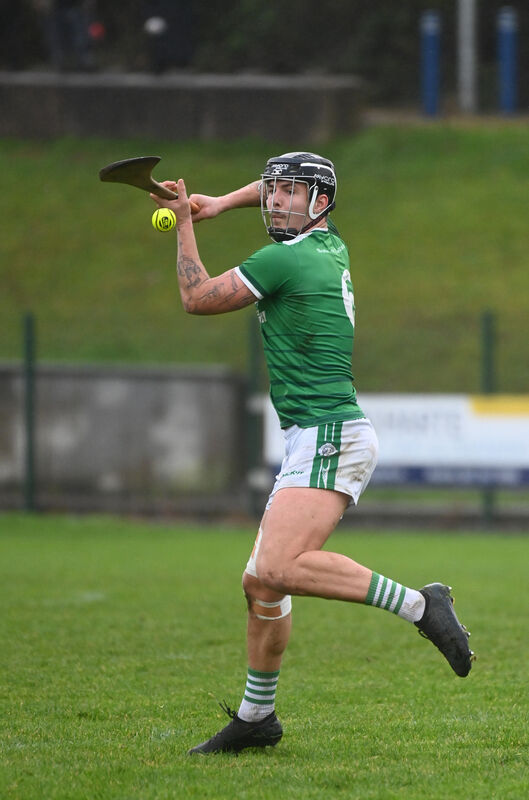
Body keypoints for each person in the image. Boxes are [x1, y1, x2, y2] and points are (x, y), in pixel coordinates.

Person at [150, 152, 475, 756]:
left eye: (290, 193)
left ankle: (420, 605)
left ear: (319, 203)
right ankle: (257, 718)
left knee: (278, 567)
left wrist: (187, 223)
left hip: (330, 433)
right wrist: (220, 203)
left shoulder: (285, 259)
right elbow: (282, 184)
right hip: (315, 434)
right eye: (272, 190)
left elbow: (197, 297)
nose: (275, 200)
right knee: (260, 585)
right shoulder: (328, 244)